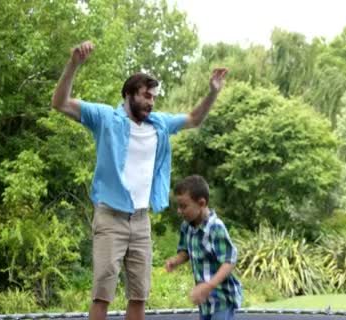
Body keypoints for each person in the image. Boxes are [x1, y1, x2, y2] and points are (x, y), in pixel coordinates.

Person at [51, 41, 228, 320]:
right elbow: (59, 103)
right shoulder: (105, 118)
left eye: (154, 97)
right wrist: (73, 64)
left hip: (142, 220)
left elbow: (194, 119)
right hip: (110, 217)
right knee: (102, 293)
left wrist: (212, 93)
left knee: (139, 295)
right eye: (146, 95)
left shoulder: (159, 124)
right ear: (129, 94)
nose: (151, 102)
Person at [165, 175, 242, 320]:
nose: (179, 211)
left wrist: (208, 286)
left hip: (222, 298)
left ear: (201, 203)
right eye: (178, 206)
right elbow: (185, 252)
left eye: (184, 206)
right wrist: (176, 260)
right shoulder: (186, 226)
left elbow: (229, 261)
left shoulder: (215, 227)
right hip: (205, 301)